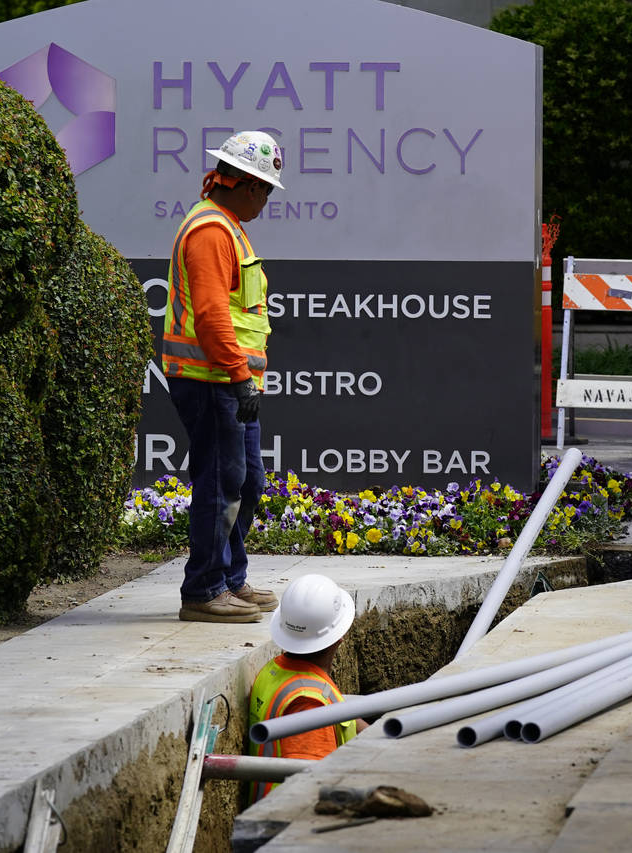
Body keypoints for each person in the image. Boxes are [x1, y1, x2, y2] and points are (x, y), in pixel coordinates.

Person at [162, 130, 284, 623]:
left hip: (224, 379)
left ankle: (230, 578)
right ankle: (205, 590)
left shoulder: (225, 225)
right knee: (221, 482)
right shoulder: (212, 231)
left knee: (245, 481)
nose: (267, 200)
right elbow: (212, 317)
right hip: (211, 378)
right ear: (248, 184)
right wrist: (239, 377)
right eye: (267, 190)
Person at [247, 574, 367, 802]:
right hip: (287, 826)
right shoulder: (308, 704)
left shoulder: (278, 672)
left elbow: (341, 715)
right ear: (339, 638)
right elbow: (309, 793)